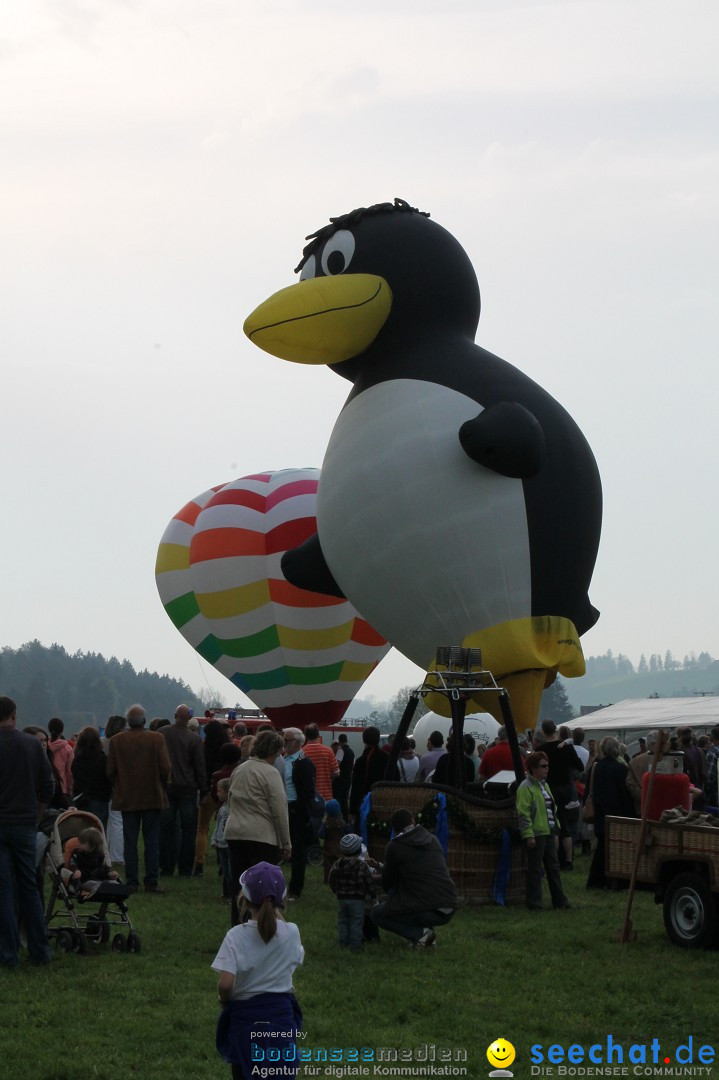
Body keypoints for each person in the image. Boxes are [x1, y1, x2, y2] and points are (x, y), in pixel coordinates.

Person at [212, 862, 304, 1080]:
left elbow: (225, 984)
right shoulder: (292, 932)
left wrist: (224, 1000)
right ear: (280, 900)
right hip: (280, 1015)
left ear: (243, 897)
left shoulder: (236, 935)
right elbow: (295, 954)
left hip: (245, 1018)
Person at [0, 696, 53, 967]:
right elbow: (48, 785)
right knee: (30, 888)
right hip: (25, 824)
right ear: (14, 715)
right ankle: (40, 950)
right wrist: (38, 814)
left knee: (4, 891)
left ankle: (8, 954)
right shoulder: (32, 745)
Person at [224, 730, 290, 926]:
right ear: (275, 751)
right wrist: (286, 842)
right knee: (262, 887)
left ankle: (238, 926)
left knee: (240, 885)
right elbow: (279, 809)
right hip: (261, 836)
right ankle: (262, 926)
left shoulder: (240, 769)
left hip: (236, 834)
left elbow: (230, 800)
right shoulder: (271, 773)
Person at [370, 808, 458, 948]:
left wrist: (373, 877)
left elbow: (388, 883)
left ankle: (419, 934)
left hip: (429, 906)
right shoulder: (432, 839)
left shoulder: (395, 846)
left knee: (377, 913)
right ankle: (429, 940)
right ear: (412, 820)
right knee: (419, 895)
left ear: (394, 828)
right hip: (449, 903)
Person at [106, 703, 171, 893]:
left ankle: (132, 881)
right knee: (151, 841)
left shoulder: (116, 741)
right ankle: (151, 881)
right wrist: (162, 784)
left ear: (128, 722)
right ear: (144, 720)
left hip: (127, 797)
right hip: (152, 795)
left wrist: (120, 784)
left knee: (130, 841)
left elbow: (109, 771)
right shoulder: (157, 738)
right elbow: (166, 768)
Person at [515, 750, 571, 911]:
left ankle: (560, 901)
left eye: (547, 766)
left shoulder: (544, 785)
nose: (547, 769)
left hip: (548, 832)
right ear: (533, 768)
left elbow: (552, 809)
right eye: (543, 766)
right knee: (535, 869)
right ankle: (534, 902)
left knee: (553, 867)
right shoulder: (525, 788)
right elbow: (523, 813)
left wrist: (556, 829)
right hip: (536, 834)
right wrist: (528, 835)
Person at [159, 704, 208, 878]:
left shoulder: (162, 733)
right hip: (188, 788)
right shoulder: (194, 739)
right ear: (189, 718)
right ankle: (185, 869)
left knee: (167, 829)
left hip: (167, 787)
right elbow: (200, 767)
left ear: (174, 715)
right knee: (188, 831)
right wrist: (203, 791)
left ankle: (166, 867)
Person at [586, 736, 636, 890]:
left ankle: (595, 881)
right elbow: (624, 793)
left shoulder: (597, 767)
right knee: (616, 850)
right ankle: (616, 882)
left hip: (601, 812)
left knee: (601, 848)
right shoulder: (620, 768)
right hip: (617, 813)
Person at [538, 719, 583, 870]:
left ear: (544, 732)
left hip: (549, 789)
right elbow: (580, 766)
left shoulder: (542, 749)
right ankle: (569, 861)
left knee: (553, 826)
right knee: (565, 825)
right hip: (565, 789)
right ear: (555, 730)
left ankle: (554, 860)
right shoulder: (567, 748)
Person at [282, 728, 317, 902]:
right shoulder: (284, 760)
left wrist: (302, 814)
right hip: (282, 808)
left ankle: (295, 889)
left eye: (286, 740)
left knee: (297, 851)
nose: (284, 743)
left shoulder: (303, 763)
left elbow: (308, 792)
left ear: (297, 743)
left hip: (295, 809)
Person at [328, 833, 378, 951]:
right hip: (357, 899)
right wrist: (373, 894)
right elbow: (368, 881)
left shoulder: (337, 864)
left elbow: (331, 879)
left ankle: (343, 943)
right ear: (359, 849)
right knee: (356, 922)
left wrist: (336, 890)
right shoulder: (361, 865)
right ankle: (356, 946)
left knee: (343, 921)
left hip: (341, 898)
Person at [195, 719, 231, 876]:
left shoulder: (204, 749)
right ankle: (223, 863)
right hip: (226, 791)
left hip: (209, 790)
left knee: (202, 828)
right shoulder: (227, 748)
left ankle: (199, 862)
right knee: (225, 827)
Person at [349, 726, 396, 830]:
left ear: (363, 740)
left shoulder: (361, 761)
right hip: (386, 804)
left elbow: (356, 788)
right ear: (378, 739)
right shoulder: (387, 758)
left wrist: (352, 811)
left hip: (365, 806)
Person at [71, 726, 112, 829]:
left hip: (82, 798)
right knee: (98, 831)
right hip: (99, 799)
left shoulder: (77, 759)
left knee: (83, 829)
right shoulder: (102, 759)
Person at [63, 826, 119, 897]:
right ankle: (98, 891)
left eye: (82, 843)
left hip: (100, 880)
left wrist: (110, 872)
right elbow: (73, 864)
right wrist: (76, 870)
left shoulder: (100, 856)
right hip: (85, 880)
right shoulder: (77, 854)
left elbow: (104, 866)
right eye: (79, 841)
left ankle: (114, 888)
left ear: (92, 846)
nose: (79, 844)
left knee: (113, 882)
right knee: (93, 884)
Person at [101, 714, 126, 865]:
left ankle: (106, 853)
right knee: (117, 821)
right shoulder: (122, 743)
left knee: (108, 821)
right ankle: (117, 855)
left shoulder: (102, 743)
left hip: (103, 787)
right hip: (118, 785)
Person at [300, 723, 338, 801]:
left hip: (308, 797)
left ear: (306, 736)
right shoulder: (328, 751)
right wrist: (328, 778)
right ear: (318, 734)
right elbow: (336, 772)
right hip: (326, 795)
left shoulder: (301, 752)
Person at [318, 798, 351, 883]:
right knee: (339, 865)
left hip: (328, 849)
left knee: (328, 865)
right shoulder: (342, 823)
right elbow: (348, 832)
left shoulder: (326, 824)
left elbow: (321, 835)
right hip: (340, 849)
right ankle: (340, 879)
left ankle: (327, 879)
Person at [211, 779, 232, 899]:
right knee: (224, 870)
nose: (217, 794)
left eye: (219, 791)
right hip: (220, 845)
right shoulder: (221, 809)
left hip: (229, 845)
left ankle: (231, 893)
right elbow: (217, 826)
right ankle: (226, 893)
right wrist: (214, 839)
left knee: (230, 871)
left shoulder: (232, 809)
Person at [48, 717, 74, 796]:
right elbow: (69, 771)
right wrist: (70, 789)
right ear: (62, 731)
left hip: (47, 786)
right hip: (62, 788)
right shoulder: (68, 748)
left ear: (49, 729)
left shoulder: (44, 746)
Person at [332, 733, 355, 817]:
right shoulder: (351, 751)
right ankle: (345, 817)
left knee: (338, 799)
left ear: (340, 741)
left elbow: (336, 764)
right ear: (347, 740)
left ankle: (338, 817)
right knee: (345, 800)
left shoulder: (341, 751)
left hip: (340, 780)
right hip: (348, 779)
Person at [704, 726, 719, 809]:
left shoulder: (713, 752)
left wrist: (707, 793)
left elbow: (709, 777)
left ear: (712, 738)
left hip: (715, 796)